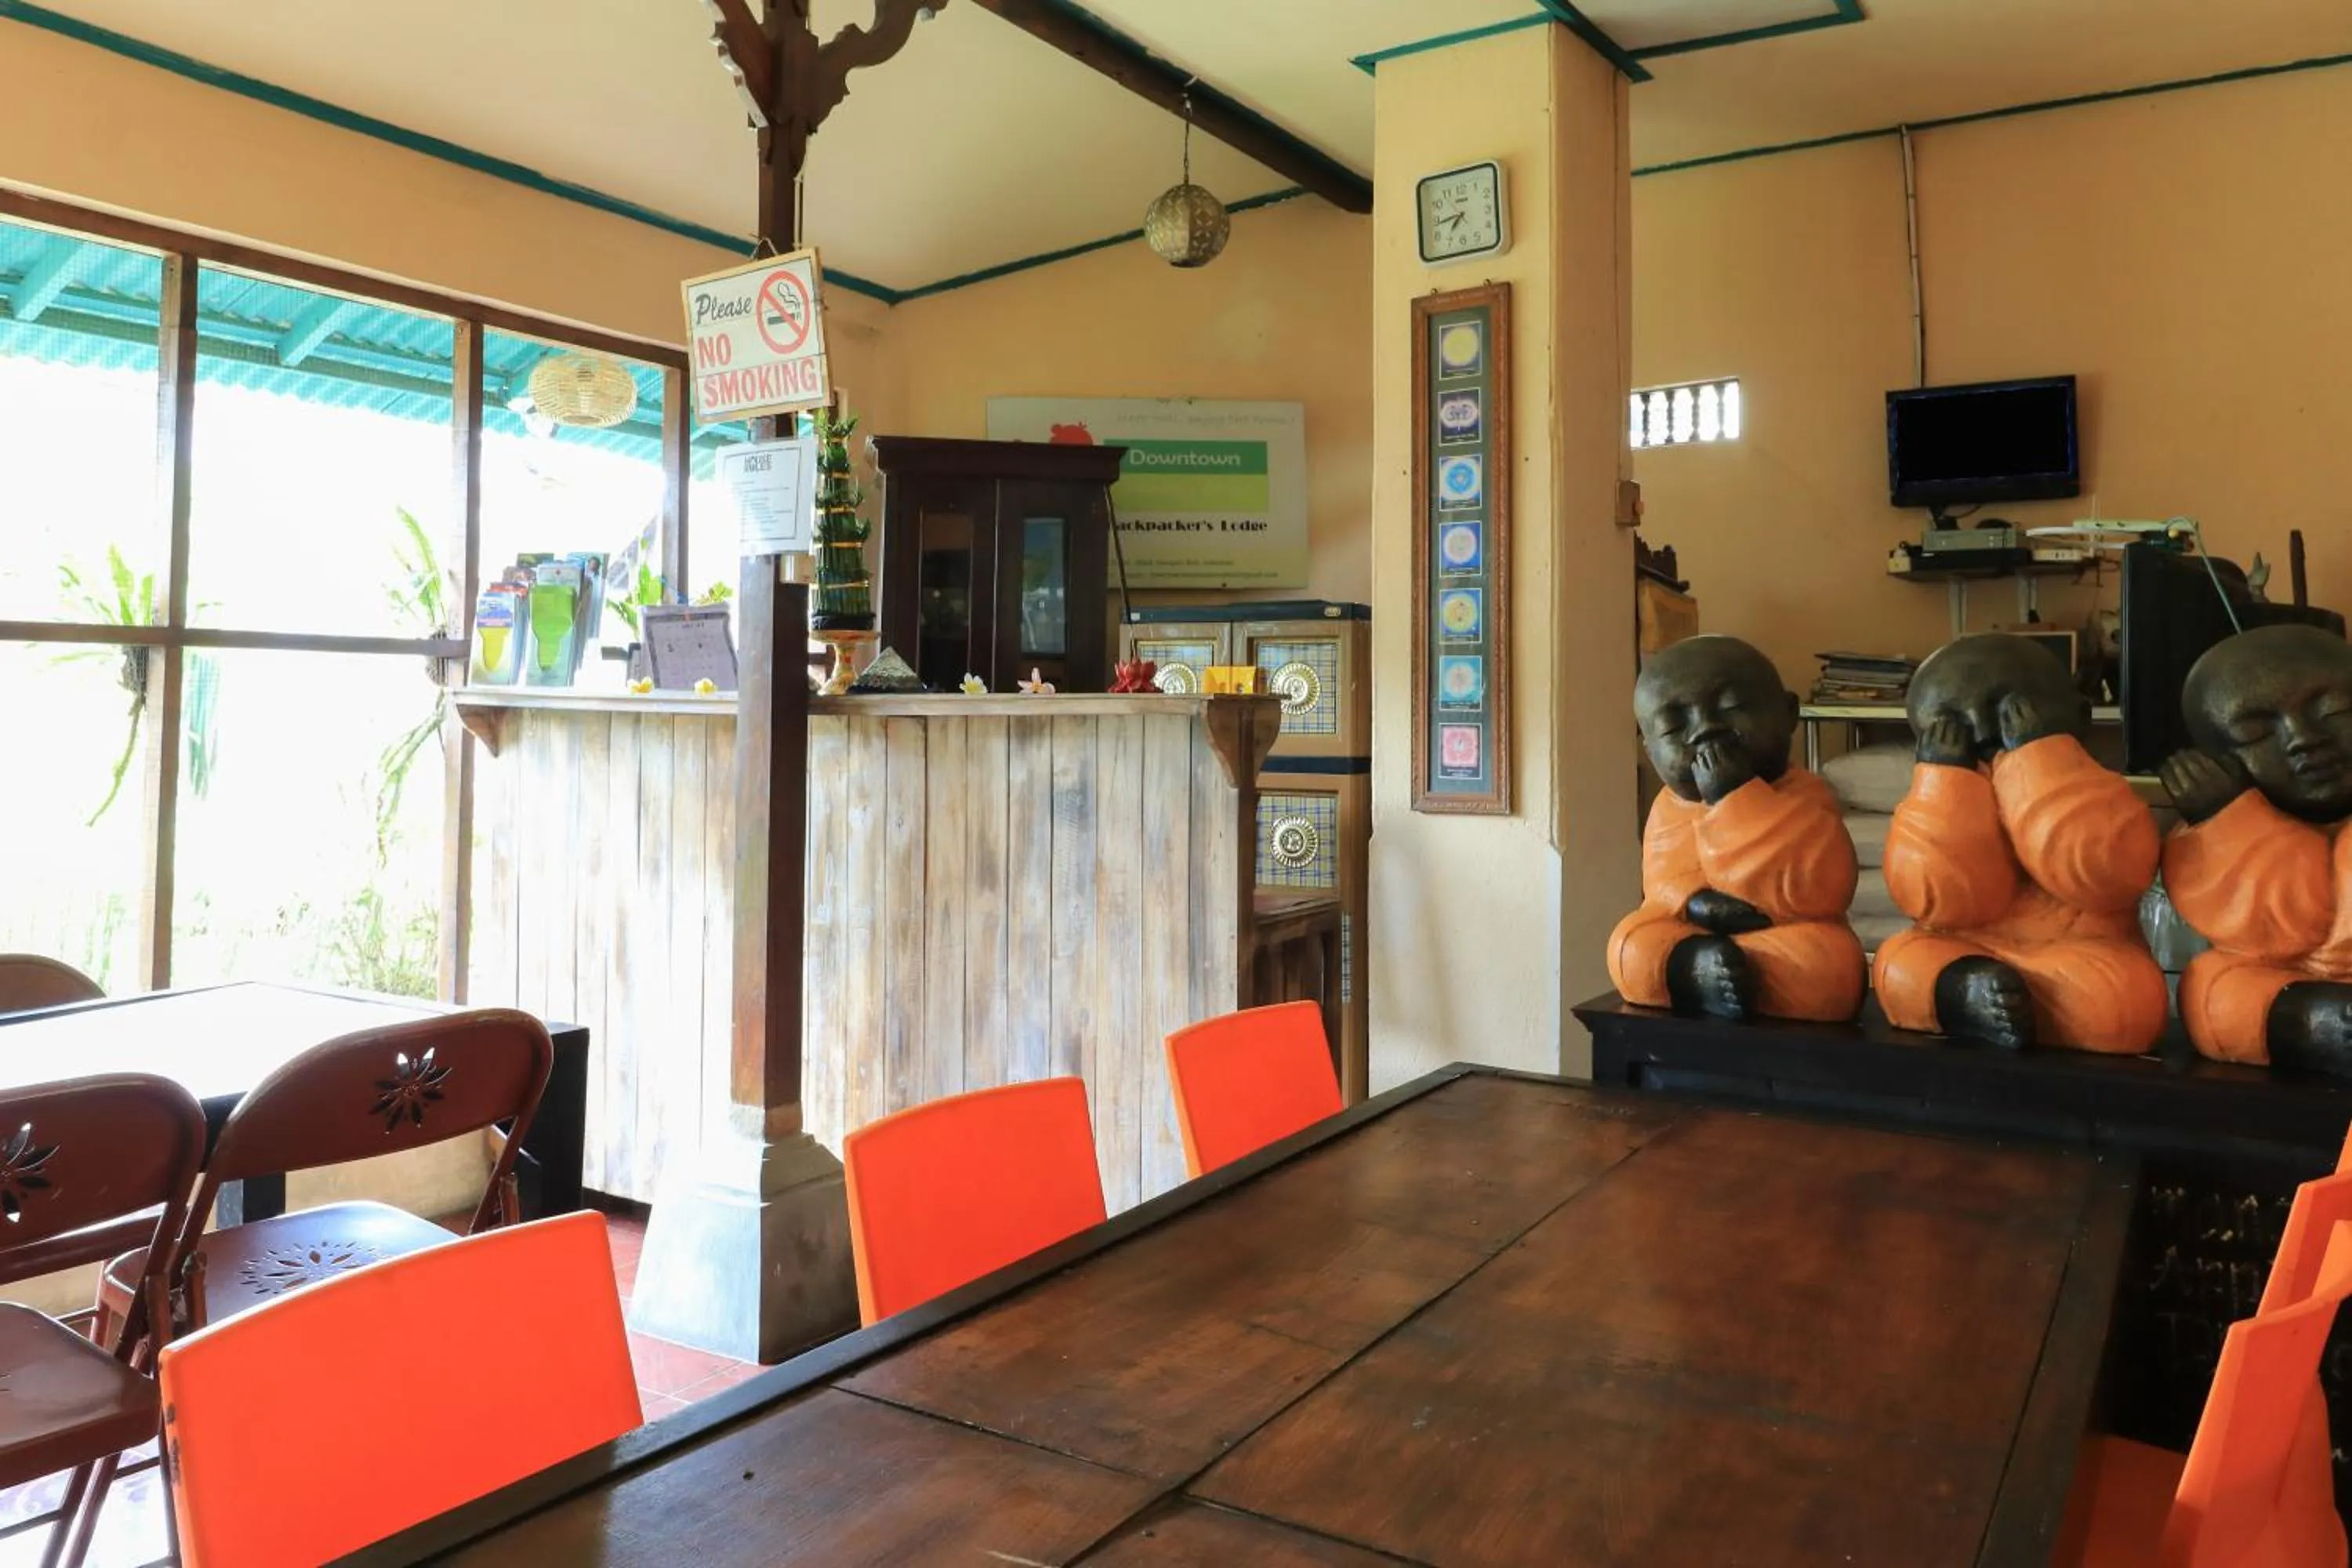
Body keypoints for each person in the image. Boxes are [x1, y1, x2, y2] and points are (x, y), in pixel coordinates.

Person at [1875, 633, 2167, 1052]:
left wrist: (2041, 759)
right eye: (1950, 724)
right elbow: (1941, 902)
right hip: (1966, 949)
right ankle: (1965, 994)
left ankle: (2001, 1003)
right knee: (1900, 961)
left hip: (2079, 954)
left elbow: (2106, 879)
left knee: (2130, 998)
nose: (1981, 730)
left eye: (2010, 709)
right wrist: (1944, 785)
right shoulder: (1934, 792)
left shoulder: (2103, 792)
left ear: (2080, 716)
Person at [1610, 636, 1864, 1022]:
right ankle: (1693, 970)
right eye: (1674, 726)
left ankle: (1726, 974)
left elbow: (1819, 892)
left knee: (1834, 966)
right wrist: (1693, 902)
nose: (1705, 730)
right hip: (1692, 931)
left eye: (1732, 707)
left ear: (1789, 713)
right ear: (1649, 749)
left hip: (1779, 938)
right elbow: (1662, 882)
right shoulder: (1669, 805)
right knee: (1630, 946)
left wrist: (1734, 797)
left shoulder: (1805, 796)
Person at [2161, 623, 2352, 1073]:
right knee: (2213, 987)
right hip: (2290, 979)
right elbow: (2282, 933)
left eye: (2334, 710)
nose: (2304, 738)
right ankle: (2315, 1021)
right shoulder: (2212, 830)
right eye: (2255, 734)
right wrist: (2228, 819)